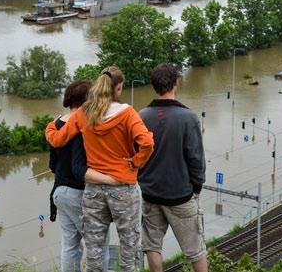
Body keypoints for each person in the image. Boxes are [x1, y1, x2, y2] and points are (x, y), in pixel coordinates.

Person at [46, 66, 154, 272]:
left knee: (94, 251)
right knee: (129, 247)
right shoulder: (127, 113)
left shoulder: (83, 114)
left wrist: (50, 126)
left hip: (93, 191)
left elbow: (57, 140)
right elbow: (147, 143)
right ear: (119, 88)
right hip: (124, 188)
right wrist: (135, 162)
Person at [138, 64, 207, 272]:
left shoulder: (141, 116)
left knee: (152, 245)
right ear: (176, 82)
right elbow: (196, 159)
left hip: (149, 193)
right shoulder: (188, 117)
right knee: (196, 249)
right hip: (181, 195)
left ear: (153, 86)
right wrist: (196, 187)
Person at [47, 81, 111, 272]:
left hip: (60, 193)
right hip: (79, 194)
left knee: (70, 246)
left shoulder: (56, 124)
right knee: (99, 244)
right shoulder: (83, 125)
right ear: (86, 100)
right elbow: (83, 167)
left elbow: (52, 165)